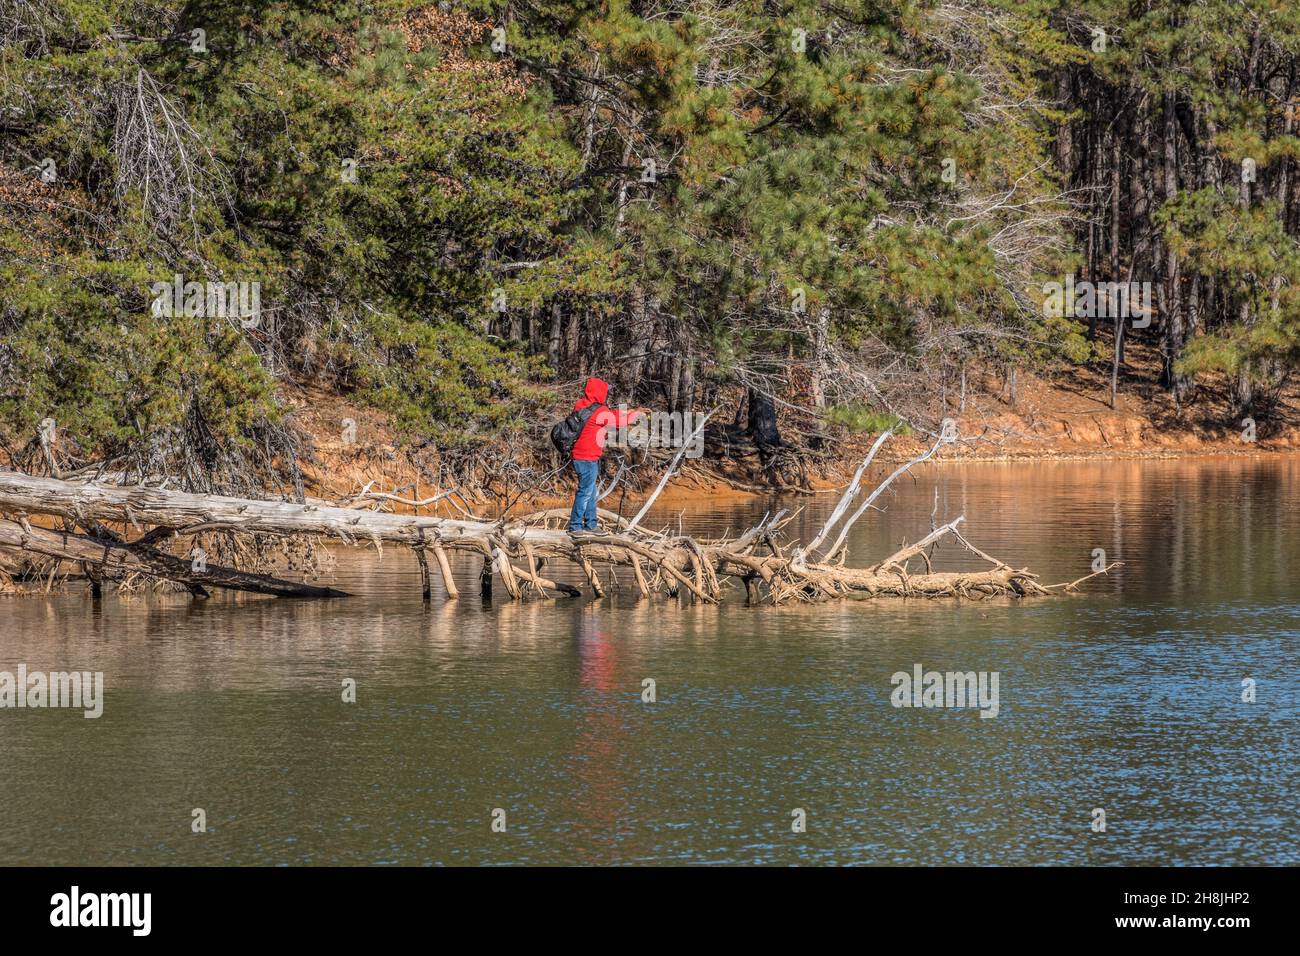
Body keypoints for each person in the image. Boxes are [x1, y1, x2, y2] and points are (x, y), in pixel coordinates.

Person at [568, 377, 645, 534]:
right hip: (587, 458)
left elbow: (610, 414)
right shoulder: (599, 411)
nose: (607, 393)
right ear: (599, 392)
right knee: (585, 492)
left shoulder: (582, 405)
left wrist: (627, 411)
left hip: (580, 456)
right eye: (605, 391)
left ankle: (591, 525)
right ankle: (575, 526)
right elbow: (618, 423)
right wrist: (635, 415)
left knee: (589, 491)